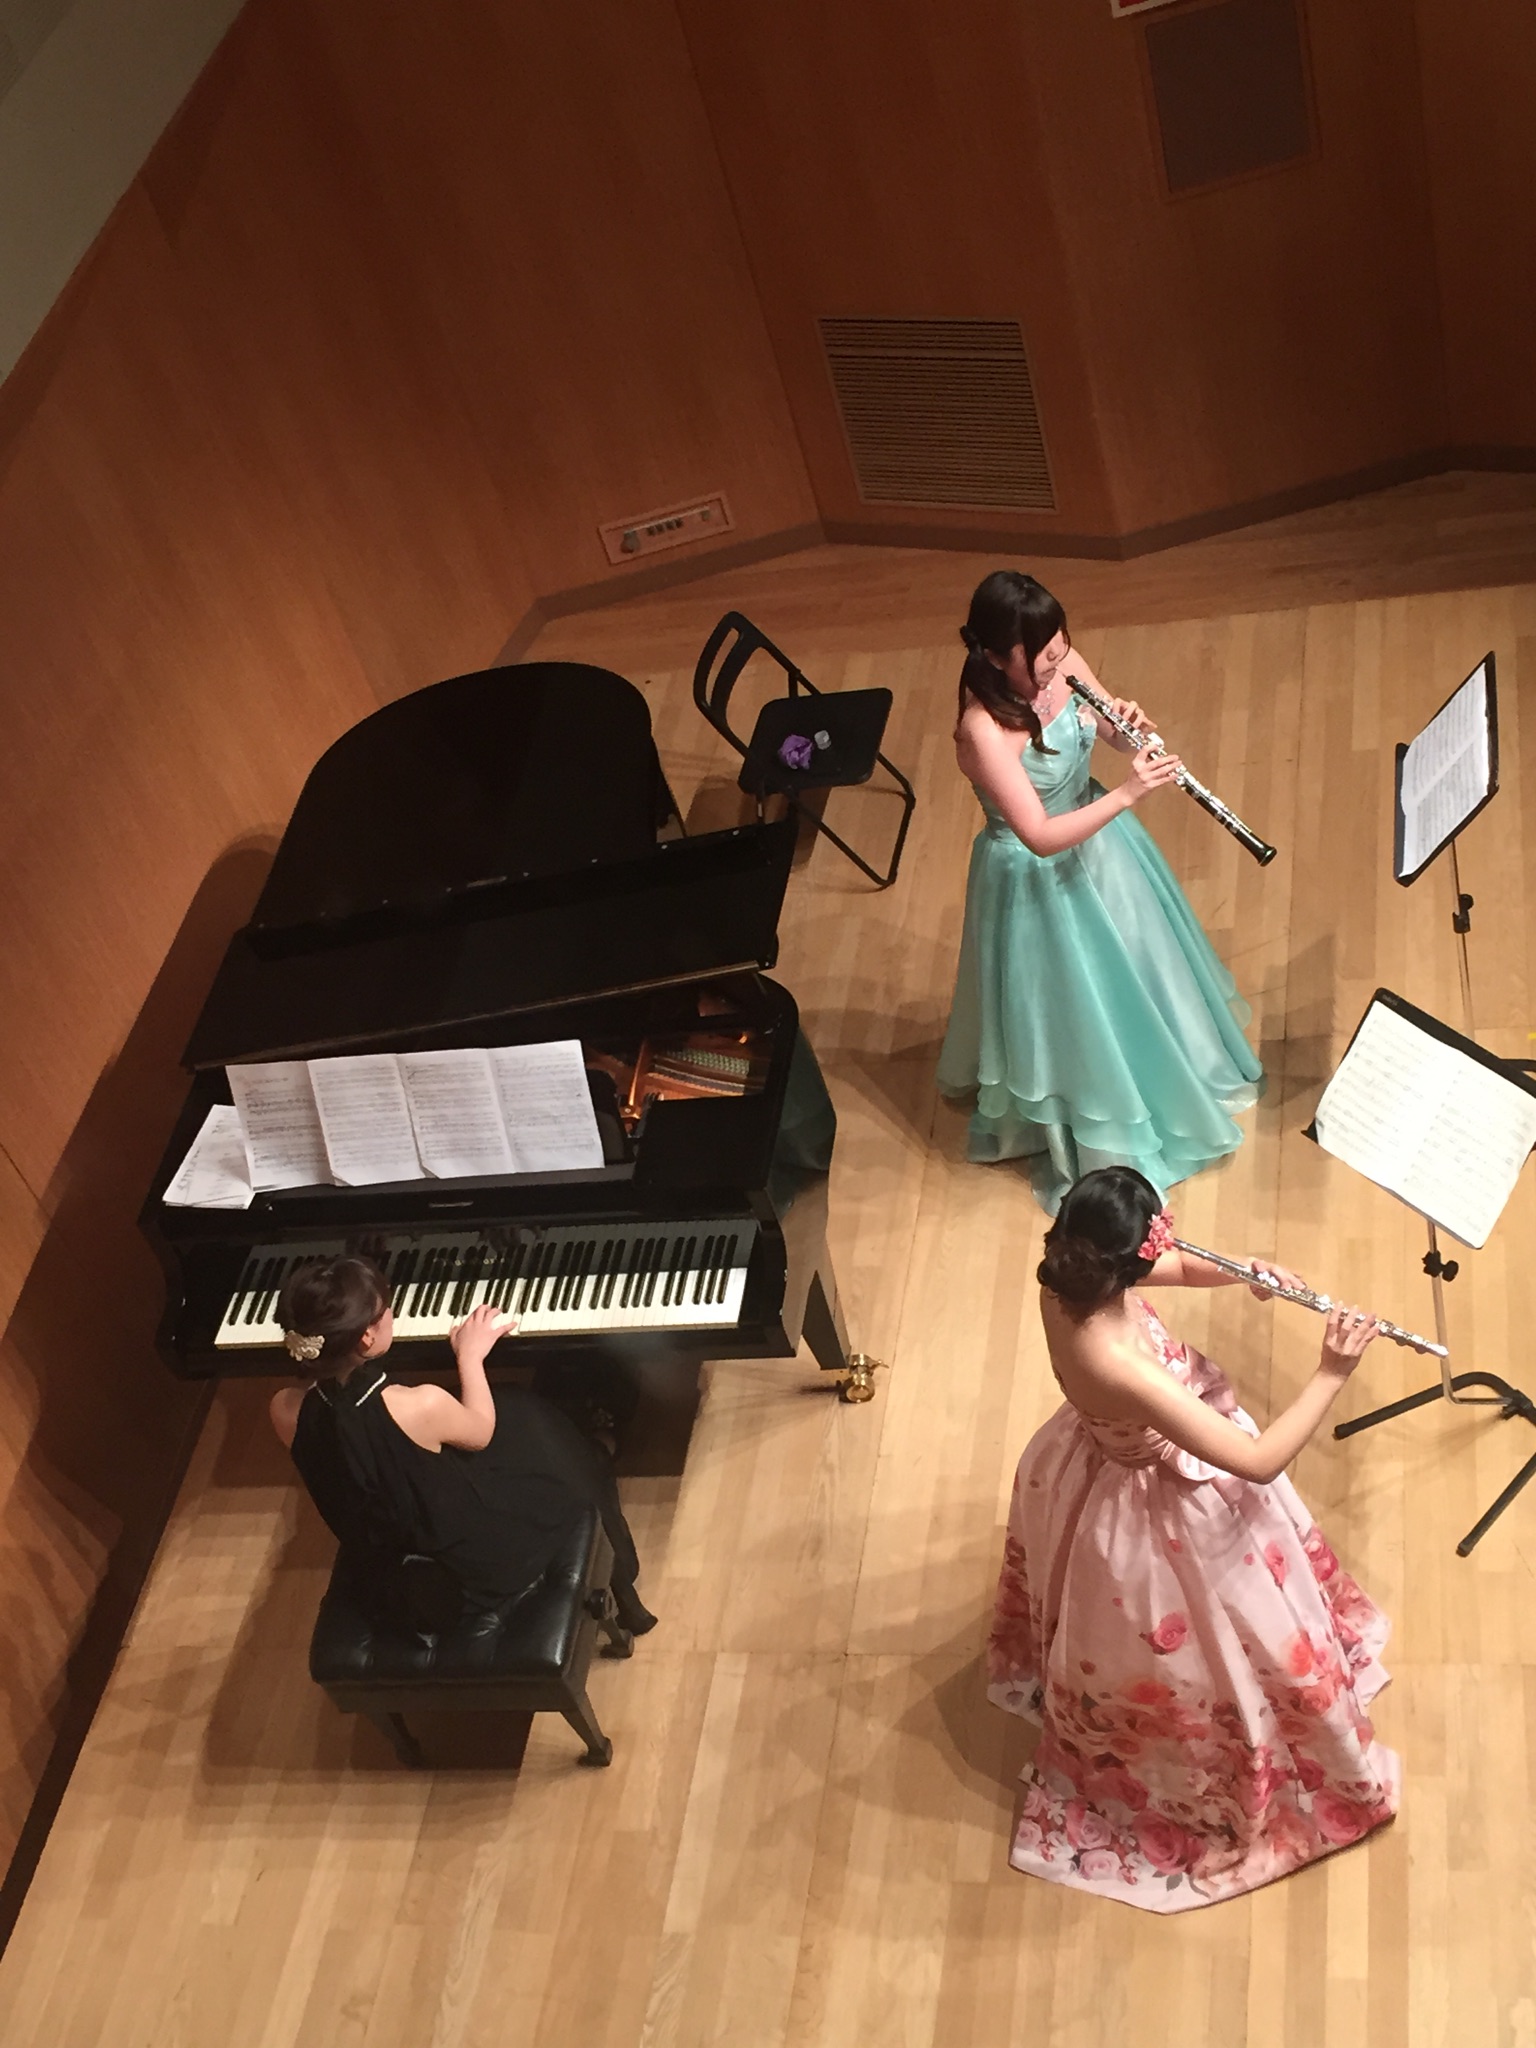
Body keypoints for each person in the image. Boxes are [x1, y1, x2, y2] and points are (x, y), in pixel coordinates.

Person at [987, 1167, 1399, 1911]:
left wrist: (1244, 1271)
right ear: (1125, 1261)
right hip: (1157, 1500)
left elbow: (1171, 1267)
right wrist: (1332, 1371)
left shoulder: (1068, 1276)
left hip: (1089, 1456)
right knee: (1218, 1637)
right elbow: (1258, 1461)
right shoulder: (1119, 1364)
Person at [937, 568, 1263, 1214]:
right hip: (1036, 879)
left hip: (1103, 849)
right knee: (1073, 1011)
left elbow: (1104, 729)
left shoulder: (1060, 661)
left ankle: (1166, 1072)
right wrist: (1130, 792)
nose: (1057, 664)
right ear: (997, 658)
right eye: (1042, 657)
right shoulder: (982, 729)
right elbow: (1039, 835)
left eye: (1061, 648)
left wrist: (1127, 725)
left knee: (1138, 974)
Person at [269, 1254, 656, 1635]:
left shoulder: (284, 1409)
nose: (390, 1312)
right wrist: (470, 1355)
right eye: (385, 1309)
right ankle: (599, 1455)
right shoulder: (419, 1406)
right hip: (469, 1578)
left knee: (509, 1415)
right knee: (527, 1417)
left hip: (390, 1579)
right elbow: (481, 1431)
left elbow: (354, 1459)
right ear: (366, 1338)